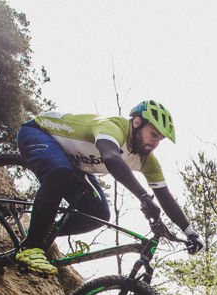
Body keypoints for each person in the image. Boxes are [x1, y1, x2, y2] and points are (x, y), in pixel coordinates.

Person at [14, 100, 203, 275]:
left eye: (160, 139)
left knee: (99, 214)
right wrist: (144, 198)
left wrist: (190, 232)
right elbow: (112, 159)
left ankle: (41, 233)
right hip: (40, 132)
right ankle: (31, 247)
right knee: (60, 173)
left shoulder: (147, 161)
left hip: (74, 163)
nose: (155, 143)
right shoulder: (114, 127)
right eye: (153, 134)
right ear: (137, 122)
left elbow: (164, 196)